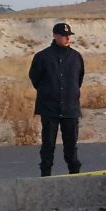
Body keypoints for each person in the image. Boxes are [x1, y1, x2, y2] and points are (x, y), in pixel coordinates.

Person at [28, 22, 85, 176]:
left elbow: (78, 80)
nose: (67, 38)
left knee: (71, 147)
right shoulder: (42, 57)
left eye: (69, 35)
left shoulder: (76, 57)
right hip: (49, 109)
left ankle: (75, 176)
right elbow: (35, 79)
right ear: (55, 36)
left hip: (70, 109)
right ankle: (46, 177)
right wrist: (49, 92)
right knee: (48, 147)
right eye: (64, 35)